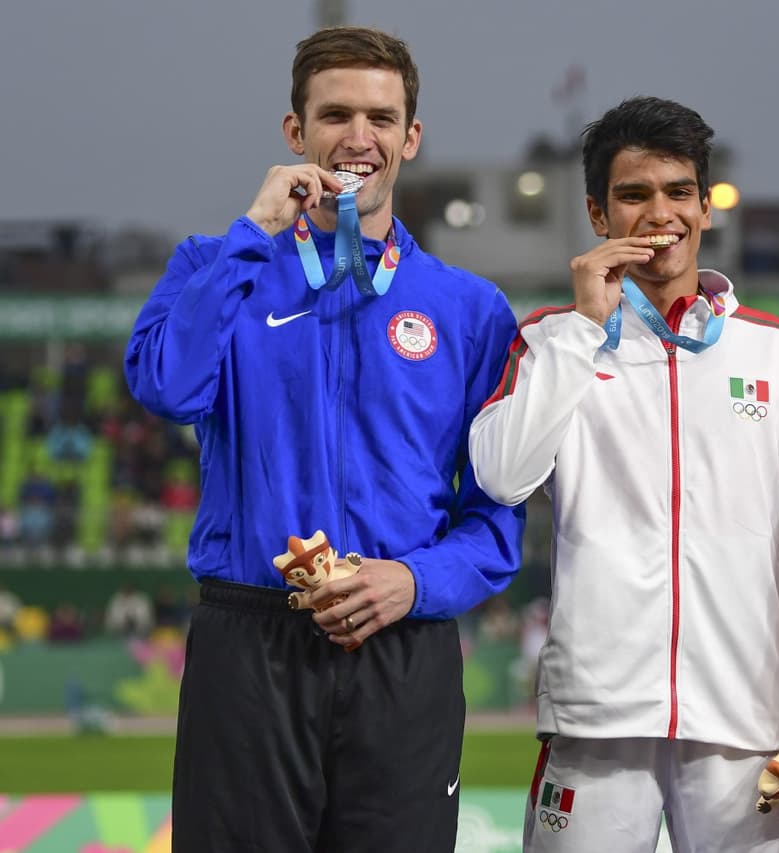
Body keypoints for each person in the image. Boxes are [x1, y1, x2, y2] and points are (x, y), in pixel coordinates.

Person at [124, 26, 524, 853]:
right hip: (251, 646)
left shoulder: (470, 309)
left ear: (410, 138)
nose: (358, 137)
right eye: (335, 114)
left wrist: (415, 580)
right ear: (295, 131)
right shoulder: (214, 265)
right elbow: (166, 386)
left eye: (381, 118)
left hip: (402, 642)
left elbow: (497, 514)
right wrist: (254, 231)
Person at [469, 96, 779, 853]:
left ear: (706, 206)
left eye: (678, 191)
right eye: (633, 195)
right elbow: (502, 475)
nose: (659, 213)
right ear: (597, 213)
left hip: (746, 721)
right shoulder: (551, 340)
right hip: (596, 720)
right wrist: (585, 329)